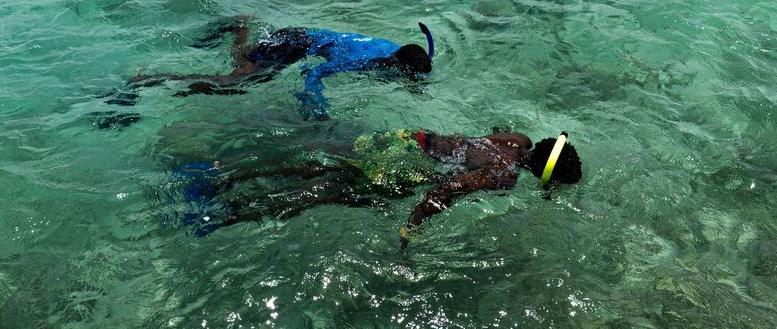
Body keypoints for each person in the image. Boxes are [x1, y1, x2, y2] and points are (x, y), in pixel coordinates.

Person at [166, 128, 582, 248]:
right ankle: (224, 215)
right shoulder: (503, 178)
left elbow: (483, 138)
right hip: (406, 171)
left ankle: (216, 176)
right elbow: (442, 192)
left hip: (408, 140)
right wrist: (411, 230)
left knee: (313, 161)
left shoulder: (516, 140)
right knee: (325, 193)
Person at [101, 17, 435, 123]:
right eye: (409, 78)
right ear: (397, 65)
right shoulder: (366, 60)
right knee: (232, 85)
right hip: (296, 44)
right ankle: (144, 80)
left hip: (295, 37)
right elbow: (314, 73)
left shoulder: (393, 50)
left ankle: (239, 26)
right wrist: (314, 103)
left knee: (244, 68)